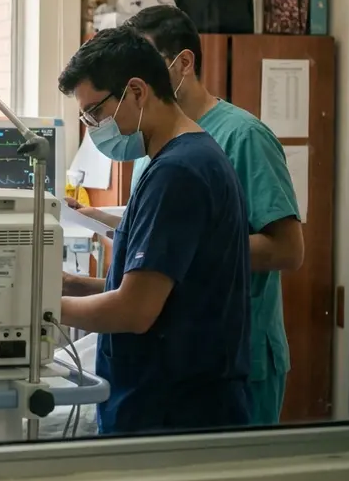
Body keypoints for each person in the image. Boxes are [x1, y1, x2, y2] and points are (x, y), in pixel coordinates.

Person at [56, 26, 252, 435]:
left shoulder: (179, 173)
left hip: (175, 413)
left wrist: (32, 309)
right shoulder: (178, 159)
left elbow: (135, 310)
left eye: (95, 112)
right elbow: (161, 288)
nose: (93, 128)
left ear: (137, 92)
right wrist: (70, 284)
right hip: (163, 402)